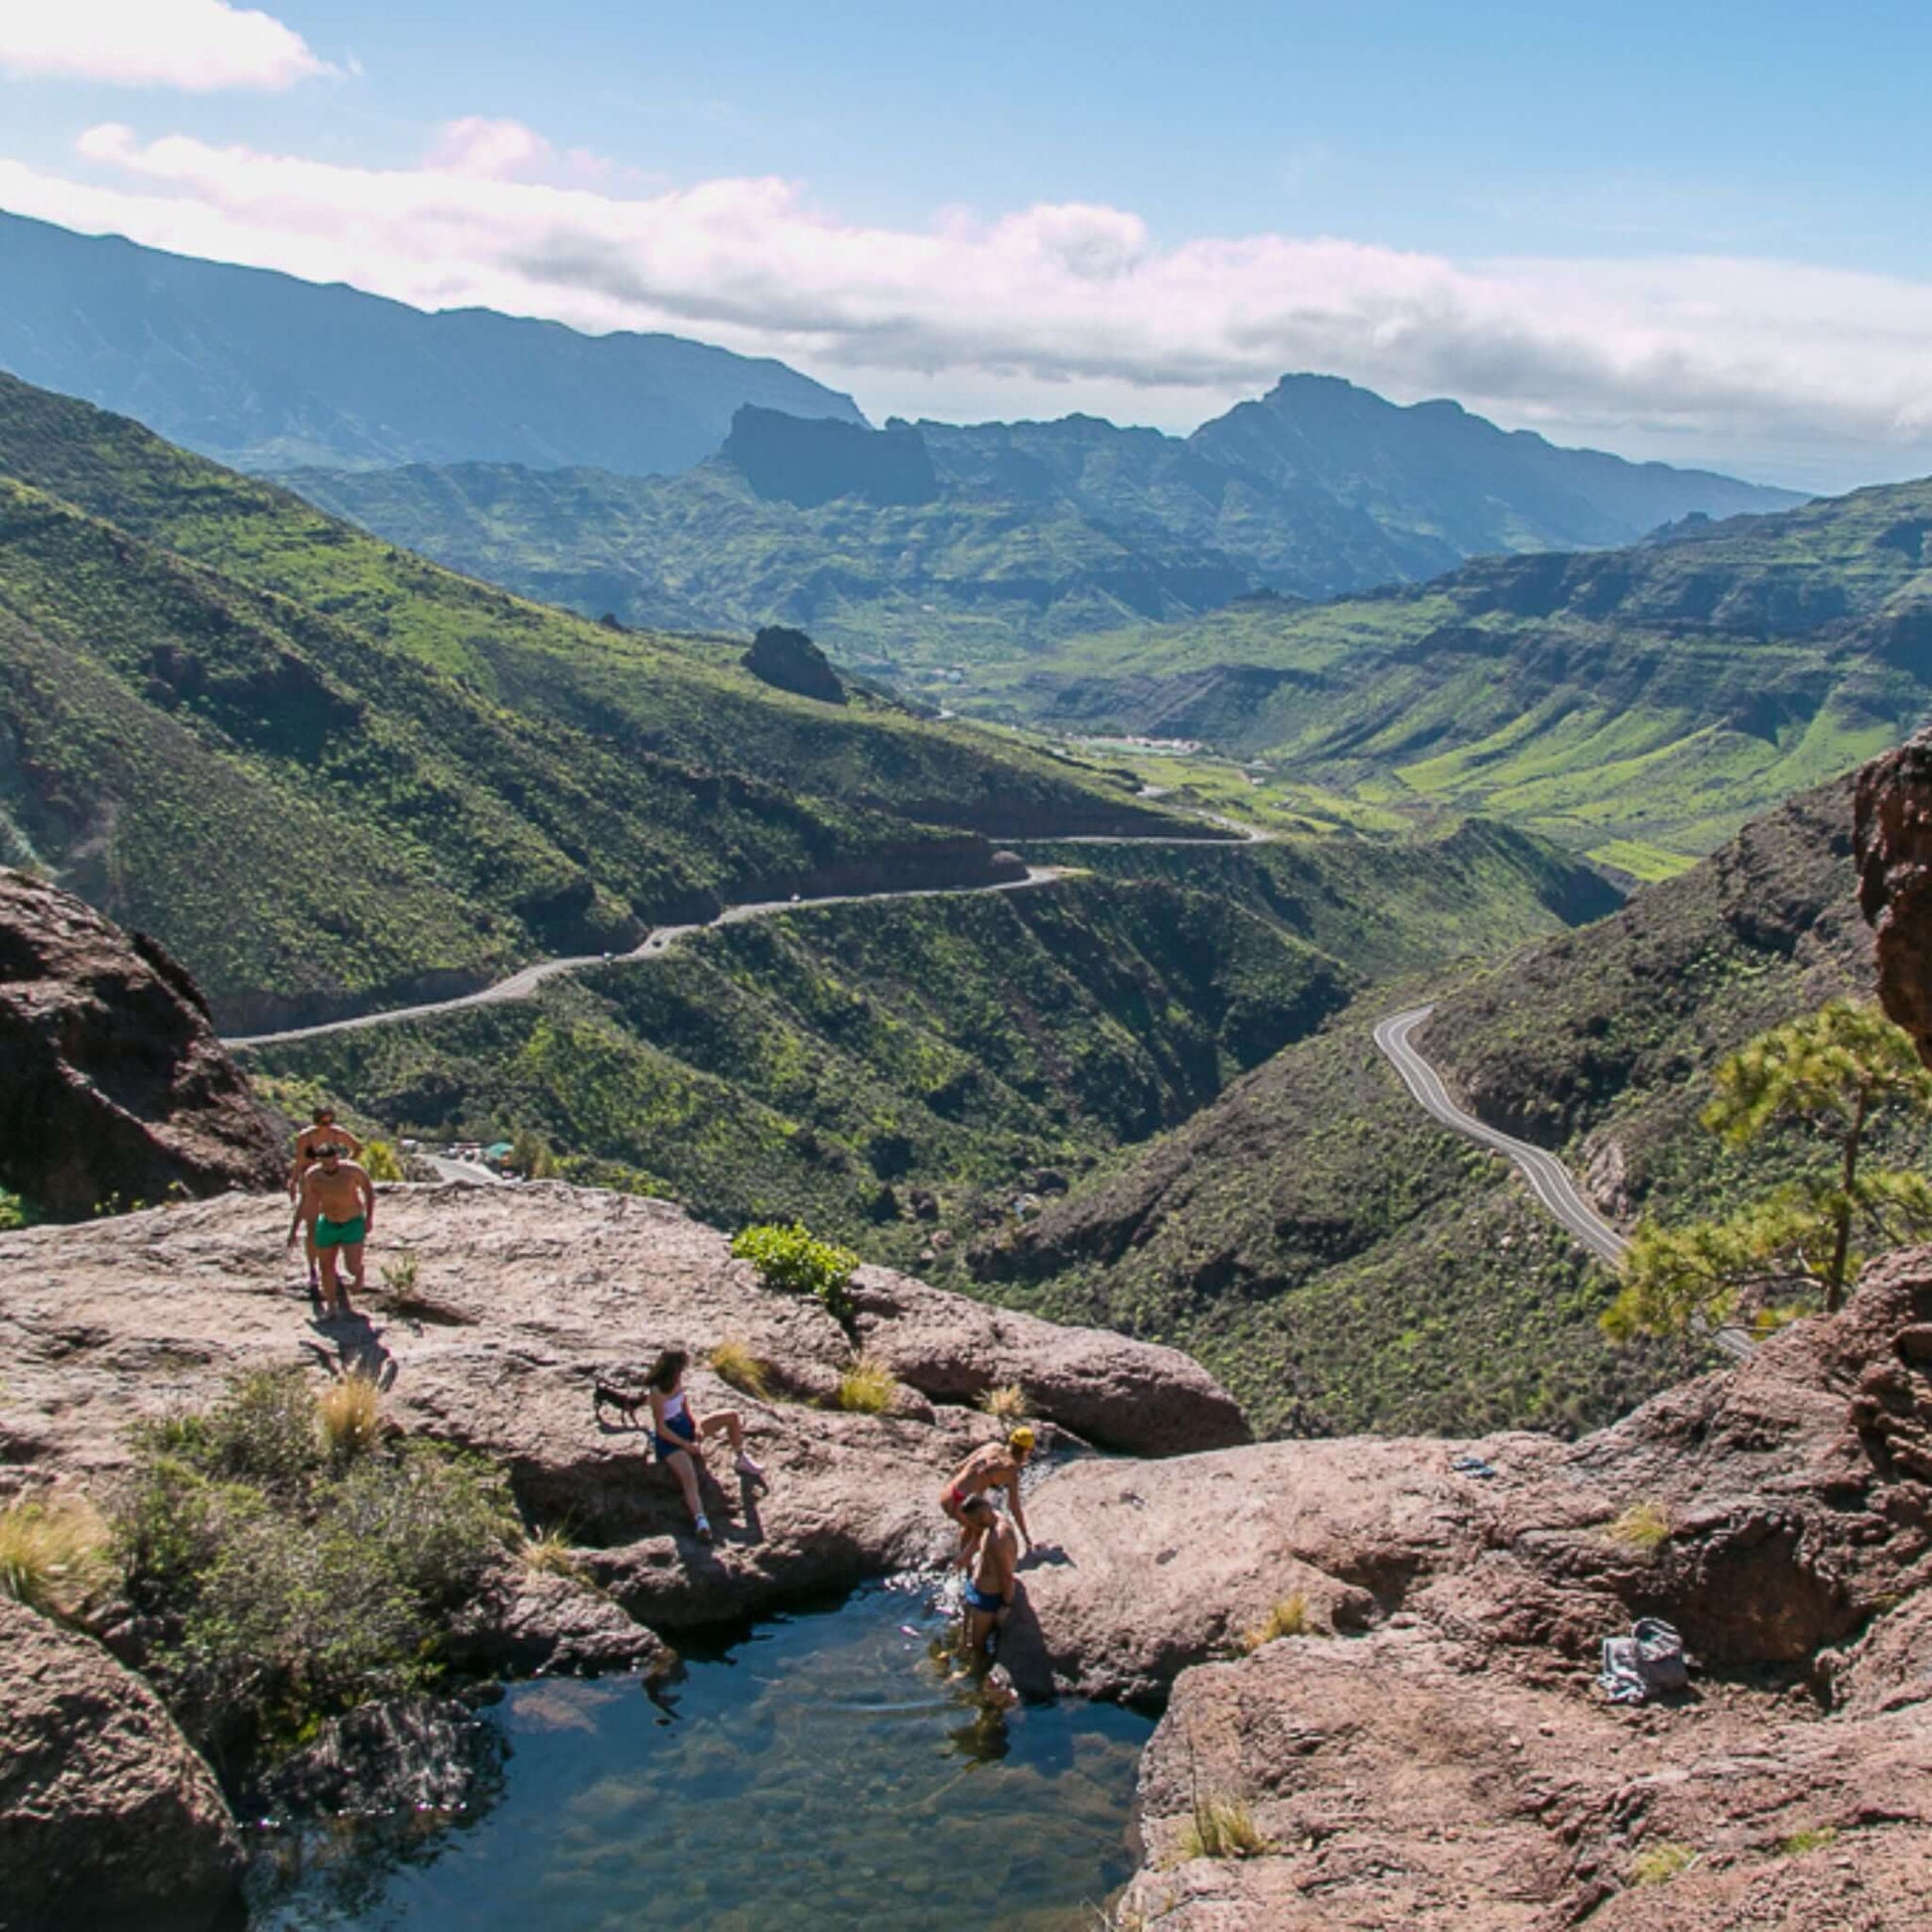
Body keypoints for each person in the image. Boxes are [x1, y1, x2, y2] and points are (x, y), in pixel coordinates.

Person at [645, 1348, 762, 1541]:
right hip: (670, 1439)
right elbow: (660, 1428)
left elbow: (685, 1408)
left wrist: (697, 1426)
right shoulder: (656, 1391)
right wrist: (685, 1445)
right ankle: (701, 1521)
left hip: (685, 1426)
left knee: (731, 1416)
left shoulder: (677, 1381)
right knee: (689, 1477)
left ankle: (741, 1457)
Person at [287, 1144, 374, 1320]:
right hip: (328, 1222)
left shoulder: (352, 1171)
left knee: (352, 1266)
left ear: (338, 1158)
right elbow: (305, 1203)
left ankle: (359, 1272)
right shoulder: (313, 1176)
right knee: (326, 1267)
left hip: (352, 1222)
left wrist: (369, 1218)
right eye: (325, 1164)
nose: (330, 1167)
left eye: (333, 1162)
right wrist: (294, 1229)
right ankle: (332, 1307)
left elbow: (369, 1192)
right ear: (319, 1162)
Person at [288, 1108, 363, 1292]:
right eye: (323, 1123)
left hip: (332, 1183)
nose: (326, 1126)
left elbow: (357, 1147)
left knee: (332, 1223)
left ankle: (330, 1266)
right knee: (312, 1227)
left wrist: (344, 1167)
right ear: (315, 1122)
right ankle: (313, 1268)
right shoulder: (305, 1137)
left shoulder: (338, 1134)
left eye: (329, 1122)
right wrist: (293, 1180)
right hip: (312, 1182)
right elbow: (299, 1161)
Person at [939, 1428, 1035, 1568]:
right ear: (1026, 1451)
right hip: (963, 1505)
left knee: (971, 1525)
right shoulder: (1011, 1470)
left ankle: (965, 1562)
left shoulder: (992, 1446)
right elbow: (1014, 1507)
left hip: (948, 1494)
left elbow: (960, 1466)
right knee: (987, 1530)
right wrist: (1026, 1537)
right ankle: (960, 1564)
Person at [959, 1493, 1019, 1657]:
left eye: (973, 1520)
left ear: (982, 1514)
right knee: (967, 1634)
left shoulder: (998, 1538)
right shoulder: (993, 1519)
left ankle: (979, 1672)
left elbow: (1006, 1575)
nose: (972, 1524)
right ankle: (962, 1649)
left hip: (988, 1597)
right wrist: (966, 1556)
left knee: (977, 1644)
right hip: (977, 1587)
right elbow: (978, 1535)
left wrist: (1006, 1606)